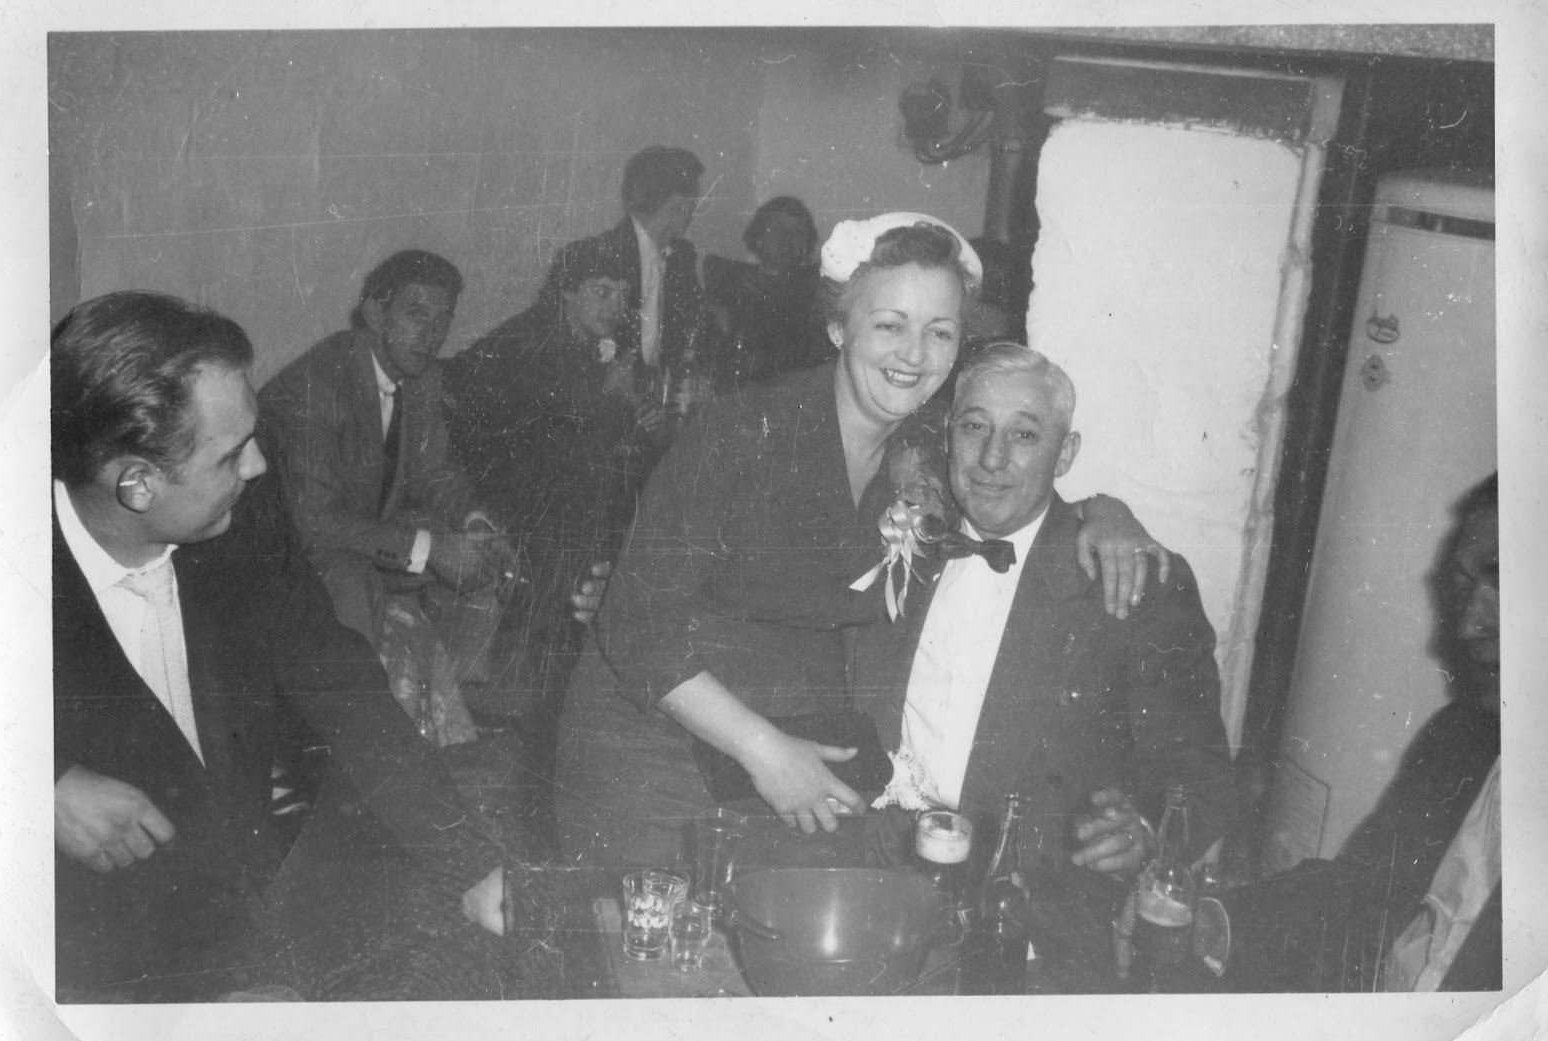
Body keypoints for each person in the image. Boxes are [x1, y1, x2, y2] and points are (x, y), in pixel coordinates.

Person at [554, 213, 1165, 867]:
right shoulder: (744, 430)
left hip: (798, 768)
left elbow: (1016, 487)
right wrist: (764, 751)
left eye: (939, 332)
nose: (914, 354)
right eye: (889, 326)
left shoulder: (930, 448)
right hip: (658, 756)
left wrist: (1106, 512)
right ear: (838, 327)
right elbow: (635, 623)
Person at [51, 292, 511, 1001]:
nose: (260, 465)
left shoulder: (243, 518)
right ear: (136, 484)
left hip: (235, 910)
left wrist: (470, 864)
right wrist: (39, 786)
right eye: (231, 454)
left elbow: (343, 686)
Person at [851, 342, 1237, 885]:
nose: (992, 458)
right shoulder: (904, 543)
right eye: (975, 427)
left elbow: (1201, 774)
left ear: (1065, 454)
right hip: (882, 872)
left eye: (1025, 435)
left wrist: (1148, 831)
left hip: (1032, 901)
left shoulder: (1132, 584)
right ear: (949, 436)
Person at [1224, 473, 1500, 992]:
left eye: (1502, 583)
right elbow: (1356, 894)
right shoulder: (1462, 738)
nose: (1469, 624)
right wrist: (1214, 922)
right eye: (1463, 586)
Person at [260, 249, 515, 743]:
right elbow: (314, 522)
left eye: (444, 318)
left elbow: (435, 470)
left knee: (484, 554)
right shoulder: (317, 385)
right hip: (290, 555)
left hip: (356, 538)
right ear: (375, 314)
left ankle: (451, 726)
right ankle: (360, 735)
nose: (433, 333)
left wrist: (474, 523)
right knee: (354, 583)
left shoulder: (419, 377)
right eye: (417, 313)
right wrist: (431, 549)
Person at [444, 235, 665, 767]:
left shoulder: (585, 342)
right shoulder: (527, 343)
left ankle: (569, 697)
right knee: (585, 534)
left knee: (627, 521)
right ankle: (535, 706)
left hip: (549, 494)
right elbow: (545, 450)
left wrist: (639, 419)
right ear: (567, 292)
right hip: (501, 497)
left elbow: (588, 442)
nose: (615, 306)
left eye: (623, 294)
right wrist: (613, 404)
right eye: (601, 291)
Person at [588, 145, 711, 417]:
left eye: (689, 209)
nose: (687, 219)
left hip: (660, 403)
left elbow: (697, 329)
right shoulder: (598, 257)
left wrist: (697, 372)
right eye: (680, 207)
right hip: (611, 409)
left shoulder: (681, 258)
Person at [702, 195, 828, 383]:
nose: (787, 238)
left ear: (806, 243)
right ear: (759, 237)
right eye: (778, 228)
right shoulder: (731, 283)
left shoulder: (816, 289)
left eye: (797, 232)